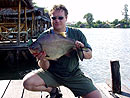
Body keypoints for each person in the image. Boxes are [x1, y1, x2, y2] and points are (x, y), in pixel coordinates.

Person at [23, 4, 102, 98]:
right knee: (27, 83)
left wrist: (79, 50)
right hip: (52, 74)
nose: (57, 20)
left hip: (73, 74)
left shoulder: (77, 33)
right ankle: (52, 90)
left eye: (60, 18)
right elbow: (45, 67)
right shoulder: (44, 37)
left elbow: (89, 55)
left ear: (66, 18)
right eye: (54, 18)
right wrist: (43, 59)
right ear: (50, 19)